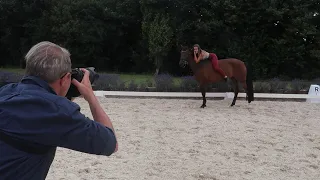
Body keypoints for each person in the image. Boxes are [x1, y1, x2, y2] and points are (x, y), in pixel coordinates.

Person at [0, 41, 118, 180]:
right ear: (66, 78)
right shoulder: (59, 113)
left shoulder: (5, 92)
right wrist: (90, 96)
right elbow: (111, 143)